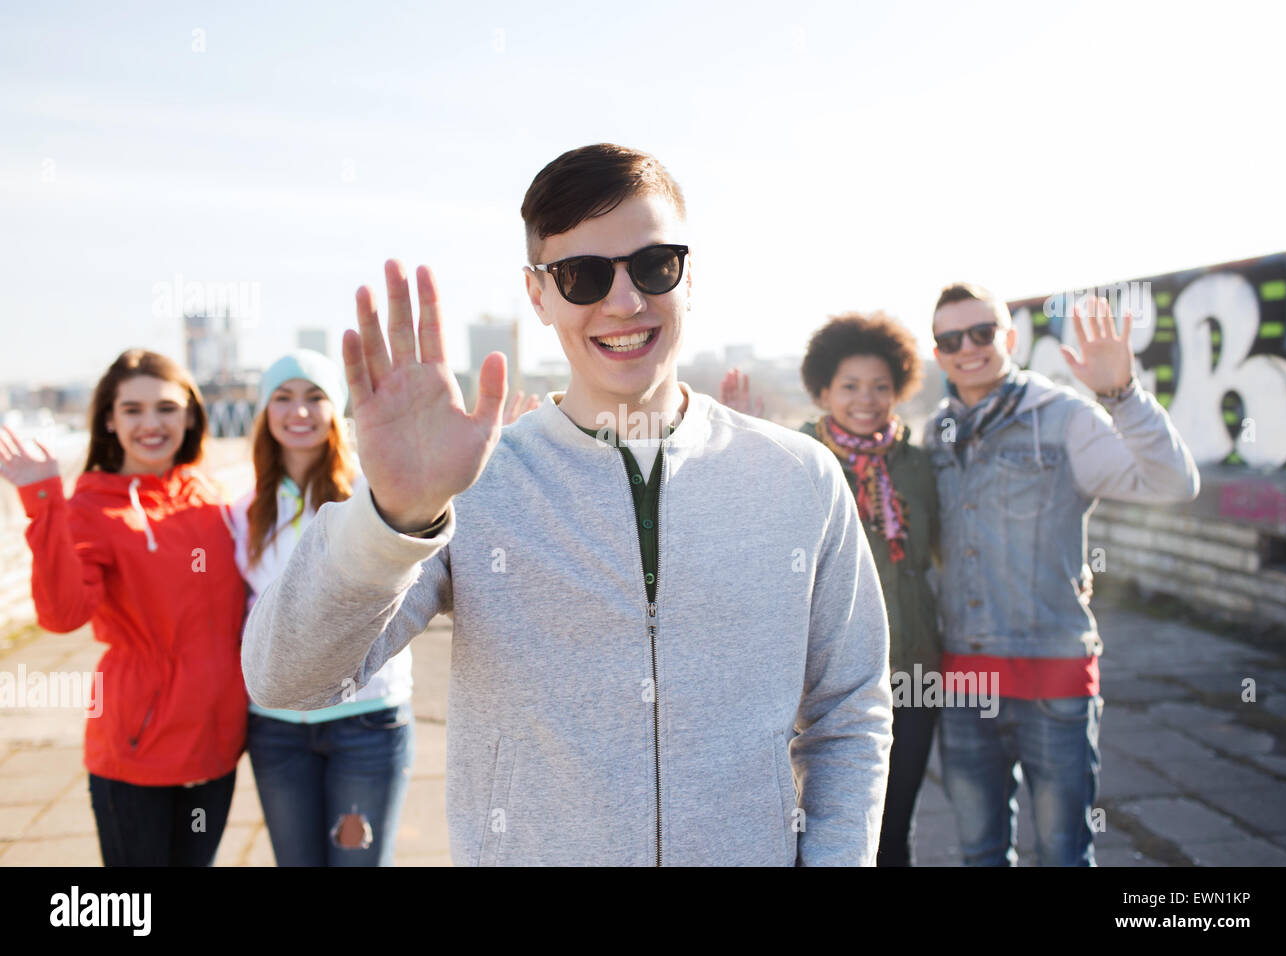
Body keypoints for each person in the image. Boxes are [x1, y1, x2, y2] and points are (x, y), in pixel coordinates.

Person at [242, 143, 893, 866]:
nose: (625, 302)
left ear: (687, 274)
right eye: (583, 275)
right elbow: (288, 678)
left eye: (654, 266)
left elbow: (850, 711)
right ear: (538, 294)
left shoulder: (796, 477)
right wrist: (390, 520)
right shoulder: (474, 484)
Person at [925, 282, 1199, 866]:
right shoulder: (938, 433)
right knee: (979, 853)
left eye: (982, 332)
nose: (967, 348)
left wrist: (1122, 394)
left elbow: (1173, 484)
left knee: (1063, 855)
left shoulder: (1064, 417)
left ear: (1011, 337)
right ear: (937, 352)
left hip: (1053, 675)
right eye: (950, 339)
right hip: (966, 683)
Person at [0, 349, 246, 866]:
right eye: (132, 410)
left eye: (166, 407)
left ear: (191, 415)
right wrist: (43, 501)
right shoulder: (91, 508)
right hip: (138, 748)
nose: (151, 424)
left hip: (218, 742)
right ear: (109, 420)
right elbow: (62, 614)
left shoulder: (210, 494)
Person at [230, 350, 415, 866]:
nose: (300, 411)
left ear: (337, 410)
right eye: (283, 398)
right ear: (265, 412)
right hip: (276, 726)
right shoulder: (241, 512)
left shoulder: (372, 495)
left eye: (316, 397)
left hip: (368, 720)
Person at [796, 312, 940, 867]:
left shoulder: (918, 466)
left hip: (912, 673)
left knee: (895, 825)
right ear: (824, 389)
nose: (867, 399)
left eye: (881, 386)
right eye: (850, 386)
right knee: (824, 833)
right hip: (821, 682)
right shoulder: (798, 458)